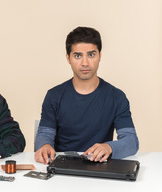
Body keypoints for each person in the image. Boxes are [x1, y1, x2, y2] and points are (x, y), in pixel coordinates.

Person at [34, 26, 139, 164]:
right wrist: (44, 146)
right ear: (68, 58)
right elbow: (45, 134)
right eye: (78, 55)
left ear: (100, 56)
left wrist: (109, 147)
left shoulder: (117, 97)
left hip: (99, 166)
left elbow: (131, 141)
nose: (85, 63)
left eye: (91, 55)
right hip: (61, 168)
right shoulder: (54, 96)